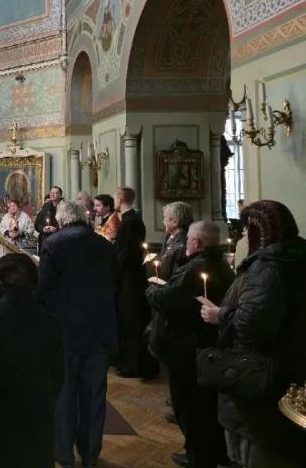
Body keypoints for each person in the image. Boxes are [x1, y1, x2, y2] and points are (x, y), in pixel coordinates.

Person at [200, 200, 306, 468]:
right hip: (287, 368)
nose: (244, 237)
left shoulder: (268, 268)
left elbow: (253, 326)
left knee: (254, 451)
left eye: (247, 231)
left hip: (260, 374)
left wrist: (220, 314)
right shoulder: (294, 258)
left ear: (261, 232)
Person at [0, 253, 63, 468]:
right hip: (38, 409)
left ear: (0, 281)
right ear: (33, 282)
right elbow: (58, 374)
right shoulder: (50, 320)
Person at [146, 221, 234, 468]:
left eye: (188, 240)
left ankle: (198, 457)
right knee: (206, 404)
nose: (185, 243)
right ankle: (216, 453)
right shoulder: (223, 266)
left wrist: (152, 290)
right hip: (208, 345)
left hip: (186, 347)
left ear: (196, 242)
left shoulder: (195, 267)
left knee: (190, 406)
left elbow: (169, 299)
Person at [38, 201, 119, 468]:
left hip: (65, 331)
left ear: (61, 221)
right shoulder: (105, 245)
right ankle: (90, 453)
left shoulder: (54, 244)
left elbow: (44, 290)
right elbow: (116, 284)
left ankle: (64, 454)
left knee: (64, 395)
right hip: (99, 330)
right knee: (94, 396)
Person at [113, 187, 156, 378]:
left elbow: (128, 252)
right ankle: (128, 362)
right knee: (127, 320)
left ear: (121, 198)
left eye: (115, 198)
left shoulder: (131, 221)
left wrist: (113, 264)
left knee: (132, 321)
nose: (114, 201)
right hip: (127, 277)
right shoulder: (128, 220)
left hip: (131, 278)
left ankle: (134, 365)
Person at [156, 201, 194, 281]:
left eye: (165, 218)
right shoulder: (168, 237)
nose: (163, 221)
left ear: (175, 222)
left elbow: (178, 276)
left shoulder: (182, 245)